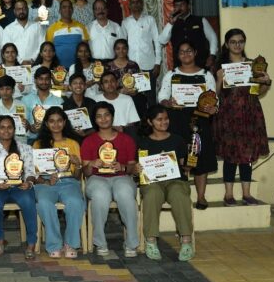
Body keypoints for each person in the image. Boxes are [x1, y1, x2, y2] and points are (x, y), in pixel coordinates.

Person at [214, 28, 271, 206]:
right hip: (228, 115)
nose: (237, 45)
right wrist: (219, 79)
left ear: (244, 43)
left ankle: (246, 194)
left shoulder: (253, 65)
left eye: (240, 41)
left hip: (249, 113)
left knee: (247, 154)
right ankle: (228, 195)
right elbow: (214, 96)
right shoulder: (220, 66)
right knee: (230, 155)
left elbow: (257, 92)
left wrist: (265, 82)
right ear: (226, 44)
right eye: (233, 42)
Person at [158, 40, 218, 210]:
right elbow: (161, 97)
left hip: (200, 120)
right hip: (177, 121)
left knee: (201, 157)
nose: (186, 54)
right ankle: (179, 195)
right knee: (180, 158)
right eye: (182, 52)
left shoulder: (206, 75)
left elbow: (214, 98)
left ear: (195, 52)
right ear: (177, 55)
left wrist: (213, 107)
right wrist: (168, 102)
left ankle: (201, 196)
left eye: (189, 50)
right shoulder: (171, 75)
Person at [81, 102, 139, 257]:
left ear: (112, 116)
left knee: (125, 193)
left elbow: (132, 167)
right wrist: (91, 164)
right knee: (100, 195)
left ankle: (132, 243)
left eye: (106, 115)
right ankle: (100, 242)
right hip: (96, 178)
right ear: (95, 120)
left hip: (121, 177)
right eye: (99, 116)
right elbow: (86, 172)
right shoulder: (88, 141)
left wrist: (123, 167)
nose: (103, 119)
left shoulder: (126, 140)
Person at [137, 105, 194, 261]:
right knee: (152, 194)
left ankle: (186, 240)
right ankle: (150, 240)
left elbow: (184, 165)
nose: (164, 122)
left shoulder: (177, 140)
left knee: (179, 193)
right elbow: (139, 168)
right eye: (159, 119)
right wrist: (136, 168)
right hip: (152, 182)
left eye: (166, 119)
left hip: (175, 180)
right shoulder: (143, 143)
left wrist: (190, 163)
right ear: (150, 122)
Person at [0, 115, 37, 259]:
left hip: (20, 187)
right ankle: (0, 239)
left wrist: (29, 182)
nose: (6, 131)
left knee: (28, 201)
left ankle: (31, 243)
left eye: (9, 127)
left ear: (14, 129)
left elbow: (31, 172)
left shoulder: (25, 148)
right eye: (2, 127)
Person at [33, 107, 85, 258]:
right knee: (44, 203)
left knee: (76, 202)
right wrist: (46, 180)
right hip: (46, 183)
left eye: (59, 121)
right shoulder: (38, 144)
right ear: (46, 124)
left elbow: (77, 176)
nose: (56, 124)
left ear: (65, 122)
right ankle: (54, 244)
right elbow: (35, 174)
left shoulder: (73, 143)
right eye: (51, 121)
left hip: (69, 181)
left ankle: (71, 243)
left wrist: (78, 164)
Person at [159, 0, 218, 70]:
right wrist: (170, 24)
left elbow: (212, 37)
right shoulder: (172, 24)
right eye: (177, 5)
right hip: (180, 65)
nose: (179, 7)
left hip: (200, 63)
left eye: (182, 4)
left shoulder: (200, 20)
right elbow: (162, 41)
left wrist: (212, 55)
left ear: (188, 6)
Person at [121, 0, 161, 103]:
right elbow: (122, 44)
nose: (136, 4)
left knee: (150, 98)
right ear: (129, 5)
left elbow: (157, 41)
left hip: (148, 65)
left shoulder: (150, 20)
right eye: (133, 2)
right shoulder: (125, 22)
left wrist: (157, 63)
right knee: (134, 98)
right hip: (131, 66)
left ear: (142, 4)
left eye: (138, 2)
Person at [106, 39, 148, 120]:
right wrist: (120, 91)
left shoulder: (134, 65)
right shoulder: (108, 66)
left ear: (127, 49)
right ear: (114, 50)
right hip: (116, 97)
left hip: (133, 97)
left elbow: (141, 85)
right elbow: (105, 87)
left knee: (140, 100)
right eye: (118, 48)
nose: (121, 51)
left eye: (124, 48)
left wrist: (135, 91)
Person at [22, 67, 63, 144]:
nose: (44, 82)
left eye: (47, 79)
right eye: (41, 79)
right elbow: (23, 121)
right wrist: (30, 127)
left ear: (50, 81)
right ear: (35, 80)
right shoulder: (25, 99)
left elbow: (61, 123)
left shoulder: (59, 101)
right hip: (32, 139)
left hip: (53, 140)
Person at [45, 0, 89, 68]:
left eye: (69, 7)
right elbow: (49, 51)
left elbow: (85, 49)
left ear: (72, 10)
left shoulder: (81, 27)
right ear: (59, 11)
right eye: (64, 7)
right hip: (58, 69)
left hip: (78, 68)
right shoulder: (51, 29)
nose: (67, 9)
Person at [1, 0, 44, 65]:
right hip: (15, 65)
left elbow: (42, 45)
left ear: (28, 10)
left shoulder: (37, 26)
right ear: (14, 11)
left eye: (24, 8)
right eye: (18, 9)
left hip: (35, 64)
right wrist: (20, 61)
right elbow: (6, 48)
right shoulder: (8, 29)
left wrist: (33, 59)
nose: (21, 11)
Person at [0, 75, 29, 143]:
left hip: (19, 142)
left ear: (13, 90)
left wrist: (26, 127)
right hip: (0, 144)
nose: (5, 92)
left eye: (8, 89)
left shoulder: (22, 105)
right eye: (2, 89)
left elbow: (25, 131)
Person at [62, 73, 96, 139]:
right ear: (70, 87)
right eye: (75, 83)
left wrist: (85, 134)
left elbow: (97, 125)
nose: (78, 85)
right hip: (71, 141)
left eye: (81, 83)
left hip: (90, 139)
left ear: (85, 86)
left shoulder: (92, 103)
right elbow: (63, 128)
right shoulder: (64, 106)